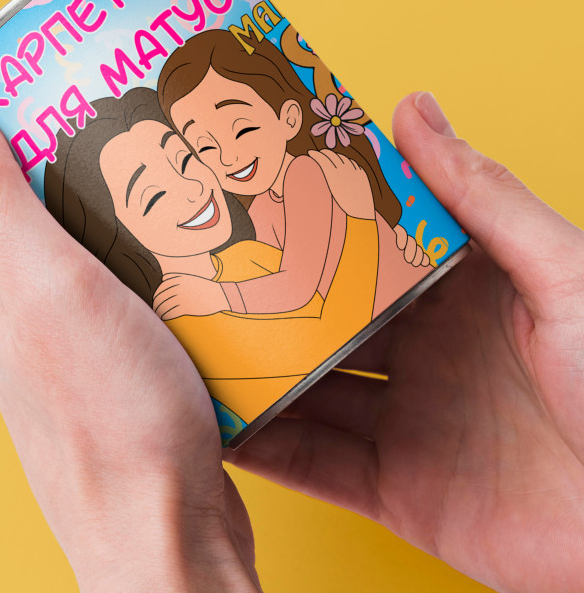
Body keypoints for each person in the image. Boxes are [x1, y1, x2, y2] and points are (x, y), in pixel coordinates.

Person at [0, 77, 584, 593]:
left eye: (187, 156)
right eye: (152, 190)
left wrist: (136, 540)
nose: (198, 182)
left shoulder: (302, 191)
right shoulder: (206, 287)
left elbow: (307, 291)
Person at [39, 86, 381, 434]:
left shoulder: (244, 256)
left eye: (185, 161)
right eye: (154, 196)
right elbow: (335, 331)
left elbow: (321, 299)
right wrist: (361, 219)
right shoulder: (181, 320)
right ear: (115, 236)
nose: (194, 189)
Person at [156, 28, 429, 322]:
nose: (227, 158)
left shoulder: (306, 173)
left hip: (408, 306)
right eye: (205, 147)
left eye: (242, 129)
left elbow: (296, 286)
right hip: (370, 319)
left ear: (289, 118)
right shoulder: (260, 208)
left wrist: (217, 296)